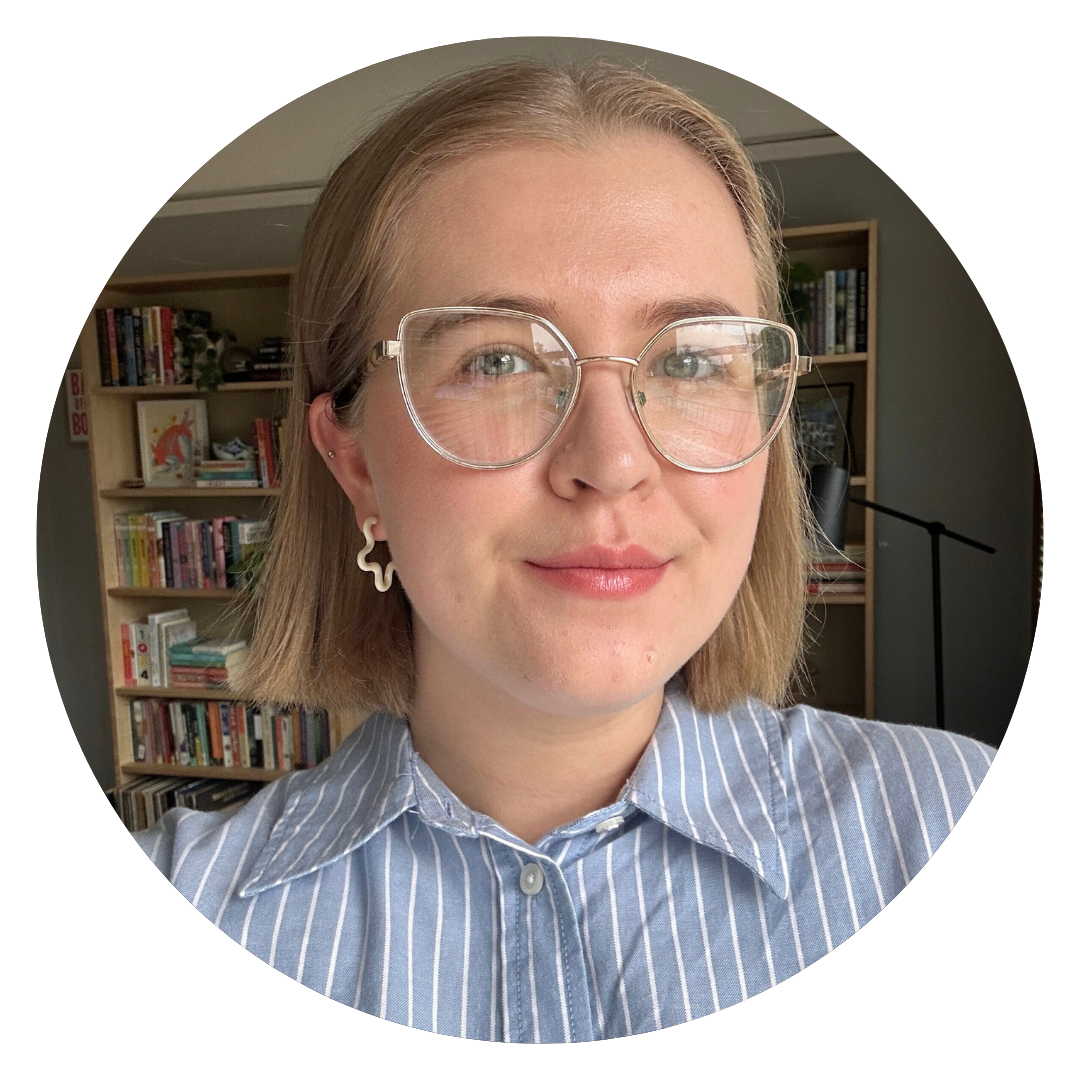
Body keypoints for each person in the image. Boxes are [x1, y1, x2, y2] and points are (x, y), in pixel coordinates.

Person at [135, 58, 994, 1042]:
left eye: (691, 360)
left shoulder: (957, 829)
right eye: (497, 360)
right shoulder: (176, 907)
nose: (613, 462)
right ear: (355, 462)